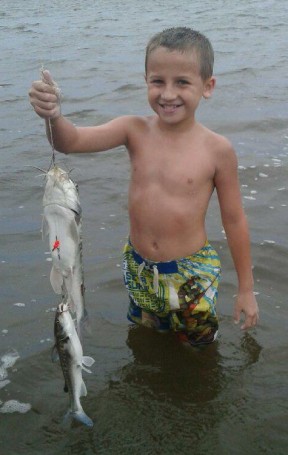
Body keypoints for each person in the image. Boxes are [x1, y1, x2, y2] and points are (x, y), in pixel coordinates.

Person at [29, 27, 259, 347]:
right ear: (146, 81)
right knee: (145, 339)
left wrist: (246, 290)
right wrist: (53, 116)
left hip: (191, 274)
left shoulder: (217, 150)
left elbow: (234, 220)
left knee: (199, 350)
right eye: (157, 81)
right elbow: (70, 142)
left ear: (208, 86)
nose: (167, 94)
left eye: (182, 82)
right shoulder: (132, 130)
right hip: (139, 267)